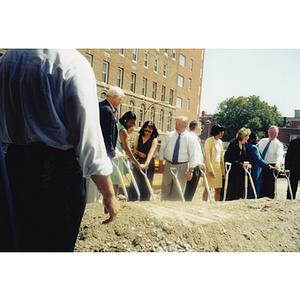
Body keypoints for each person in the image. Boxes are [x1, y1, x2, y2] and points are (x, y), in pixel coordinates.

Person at [0, 49, 119, 251]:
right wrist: (109, 194)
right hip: (58, 176)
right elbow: (88, 138)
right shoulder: (73, 63)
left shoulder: (7, 60)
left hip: (13, 167)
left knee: (15, 245)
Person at [158, 116, 200, 201]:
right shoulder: (169, 136)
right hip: (168, 165)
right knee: (165, 189)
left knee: (178, 191)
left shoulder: (191, 139)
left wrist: (190, 171)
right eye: (176, 124)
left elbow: (193, 155)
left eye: (179, 125)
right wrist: (160, 164)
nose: (177, 126)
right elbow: (162, 150)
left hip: (182, 167)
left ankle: (173, 211)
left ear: (185, 126)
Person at [110, 111, 147, 196]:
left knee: (113, 183)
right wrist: (136, 163)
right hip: (118, 159)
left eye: (134, 123)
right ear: (126, 120)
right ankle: (113, 201)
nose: (132, 125)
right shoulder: (123, 131)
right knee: (115, 183)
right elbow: (127, 149)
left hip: (115, 156)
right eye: (131, 123)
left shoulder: (118, 126)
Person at [128, 121, 158, 201]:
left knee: (146, 182)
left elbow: (151, 152)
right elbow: (135, 150)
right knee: (136, 180)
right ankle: (132, 199)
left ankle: (144, 199)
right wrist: (138, 153)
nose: (147, 133)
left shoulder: (154, 140)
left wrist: (146, 163)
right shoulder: (139, 136)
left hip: (148, 163)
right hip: (138, 161)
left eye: (149, 131)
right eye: (146, 130)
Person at [224, 127, 251, 200]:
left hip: (241, 171)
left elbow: (245, 158)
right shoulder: (233, 144)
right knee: (232, 188)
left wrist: (248, 164)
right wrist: (241, 164)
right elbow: (229, 158)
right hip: (233, 170)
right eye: (247, 136)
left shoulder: (244, 145)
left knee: (240, 188)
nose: (248, 138)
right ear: (244, 136)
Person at [246, 132, 274, 199]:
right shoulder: (253, 148)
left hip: (248, 171)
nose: (257, 139)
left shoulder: (246, 145)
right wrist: (269, 166)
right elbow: (258, 160)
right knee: (254, 191)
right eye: (256, 138)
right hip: (255, 172)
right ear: (251, 139)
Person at [99, 86, 124, 160]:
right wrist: (112, 153)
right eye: (120, 100)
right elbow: (107, 134)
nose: (120, 102)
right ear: (115, 97)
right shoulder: (107, 110)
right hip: (103, 152)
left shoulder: (100, 105)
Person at [258, 126, 283, 198]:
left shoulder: (279, 144)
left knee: (269, 189)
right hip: (261, 166)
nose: (273, 134)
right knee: (260, 186)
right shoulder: (262, 141)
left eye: (275, 133)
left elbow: (279, 155)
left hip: (271, 168)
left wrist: (278, 164)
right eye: (271, 132)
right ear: (268, 133)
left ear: (277, 134)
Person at [183, 120, 206, 201]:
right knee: (189, 191)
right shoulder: (192, 138)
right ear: (196, 128)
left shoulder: (195, 138)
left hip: (195, 167)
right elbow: (192, 154)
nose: (201, 129)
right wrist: (199, 164)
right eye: (200, 127)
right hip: (192, 167)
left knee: (190, 191)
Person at [202, 124, 226, 201]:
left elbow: (221, 157)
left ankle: (216, 204)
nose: (223, 133)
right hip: (211, 167)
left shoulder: (220, 142)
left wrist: (223, 172)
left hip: (219, 168)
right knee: (207, 188)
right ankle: (204, 203)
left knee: (218, 190)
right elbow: (207, 157)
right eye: (222, 131)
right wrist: (210, 170)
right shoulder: (209, 141)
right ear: (218, 132)